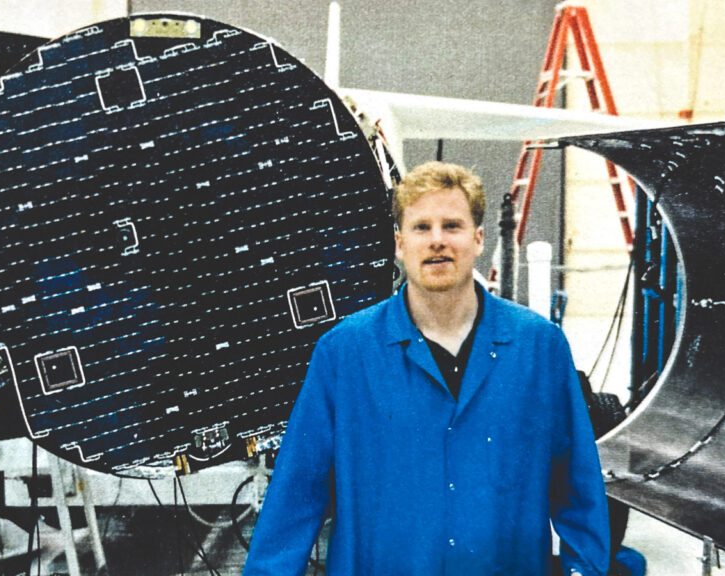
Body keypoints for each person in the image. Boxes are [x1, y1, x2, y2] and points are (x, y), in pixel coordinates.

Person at [243, 162, 610, 575]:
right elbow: (296, 494)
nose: (437, 240)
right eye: (421, 227)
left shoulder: (539, 348)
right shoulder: (344, 354)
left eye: (452, 225)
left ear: (478, 238)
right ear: (399, 243)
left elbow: (578, 485)